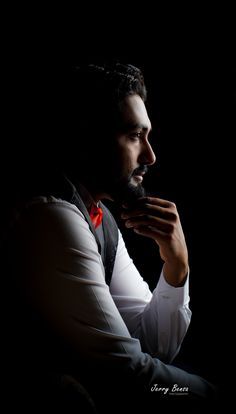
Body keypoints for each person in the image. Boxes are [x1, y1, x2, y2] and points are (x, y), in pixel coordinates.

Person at [1, 62, 216, 412]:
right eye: (134, 136)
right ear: (88, 137)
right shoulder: (53, 215)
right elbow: (128, 376)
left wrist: (176, 265)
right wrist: (214, 396)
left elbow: (153, 347)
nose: (150, 155)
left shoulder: (100, 219)